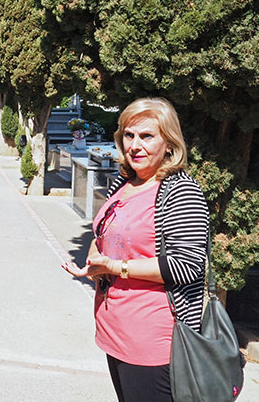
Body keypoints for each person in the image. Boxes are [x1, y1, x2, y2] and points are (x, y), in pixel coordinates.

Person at [62, 98, 209, 402]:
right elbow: (106, 231)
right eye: (129, 136)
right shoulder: (126, 181)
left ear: (169, 143)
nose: (135, 145)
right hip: (116, 329)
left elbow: (187, 266)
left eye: (147, 136)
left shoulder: (181, 191)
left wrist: (115, 267)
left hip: (152, 341)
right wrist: (95, 260)